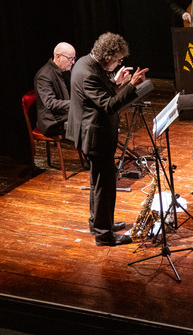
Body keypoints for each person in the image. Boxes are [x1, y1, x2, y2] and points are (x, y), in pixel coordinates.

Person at [66, 33, 149, 246]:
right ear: (107, 56)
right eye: (118, 59)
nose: (120, 63)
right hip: (95, 136)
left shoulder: (87, 63)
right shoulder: (88, 73)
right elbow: (109, 105)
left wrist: (115, 81)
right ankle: (104, 235)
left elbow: (99, 93)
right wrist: (131, 86)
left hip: (90, 133)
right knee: (105, 184)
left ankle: (98, 223)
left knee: (98, 182)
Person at [34, 42, 76, 137]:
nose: (73, 62)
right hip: (52, 121)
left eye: (74, 58)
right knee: (87, 122)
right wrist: (75, 103)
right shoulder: (44, 75)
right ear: (58, 57)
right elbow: (50, 103)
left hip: (64, 115)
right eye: (70, 58)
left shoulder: (66, 71)